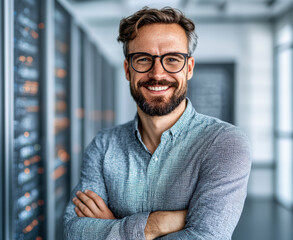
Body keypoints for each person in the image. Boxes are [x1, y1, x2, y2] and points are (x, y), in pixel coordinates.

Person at [63, 6, 251, 240]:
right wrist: (155, 225)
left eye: (172, 59)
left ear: (189, 68)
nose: (157, 73)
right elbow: (74, 231)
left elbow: (206, 237)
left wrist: (114, 227)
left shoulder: (225, 143)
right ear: (127, 70)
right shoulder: (104, 146)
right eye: (143, 59)